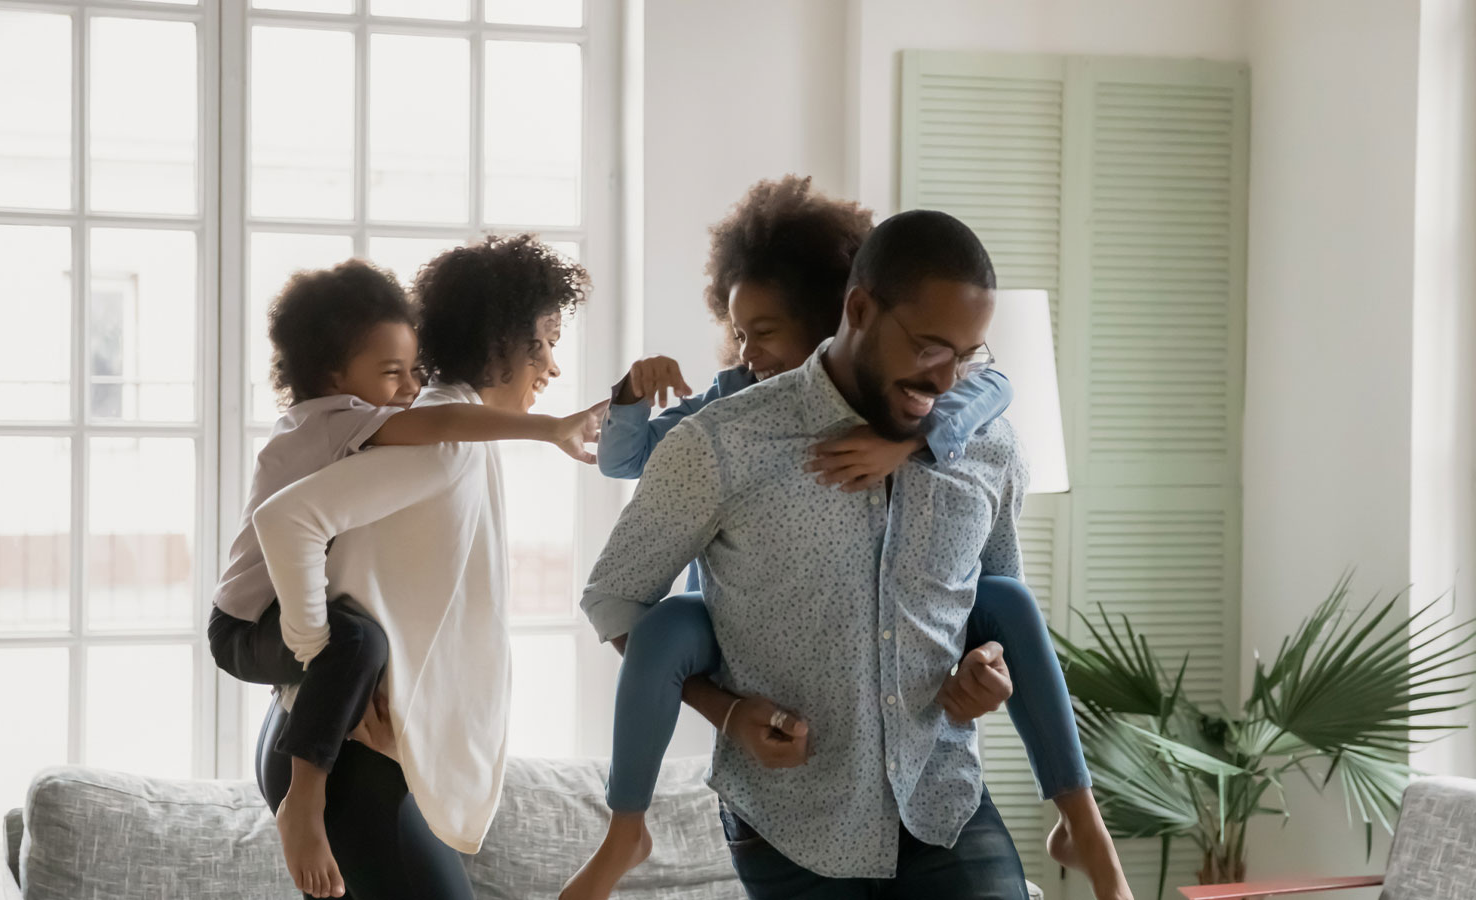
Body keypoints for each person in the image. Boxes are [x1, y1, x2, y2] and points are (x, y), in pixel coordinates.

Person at [580, 209, 1131, 899]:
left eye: (967, 355)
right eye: (931, 347)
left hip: (943, 803)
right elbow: (616, 598)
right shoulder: (721, 442)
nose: (946, 378)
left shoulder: (989, 448)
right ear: (860, 308)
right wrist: (723, 710)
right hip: (789, 824)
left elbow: (994, 605)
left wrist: (985, 672)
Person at [248, 236, 591, 900]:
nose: (552, 366)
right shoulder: (443, 441)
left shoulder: (451, 433)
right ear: (499, 340)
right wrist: (324, 665)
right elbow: (286, 521)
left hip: (348, 751)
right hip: (344, 759)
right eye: (544, 341)